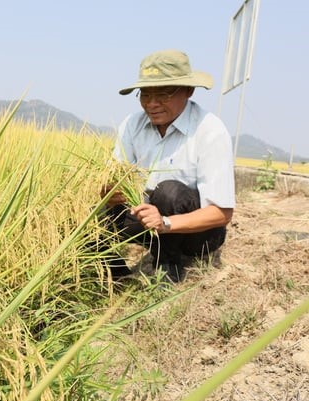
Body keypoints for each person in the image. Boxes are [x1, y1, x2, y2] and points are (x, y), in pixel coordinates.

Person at [101, 49, 235, 283]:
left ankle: (168, 265)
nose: (152, 104)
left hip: (196, 234)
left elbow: (222, 213)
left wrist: (166, 223)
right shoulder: (132, 125)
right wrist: (110, 192)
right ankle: (118, 274)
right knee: (89, 209)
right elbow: (115, 176)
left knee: (168, 191)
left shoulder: (210, 130)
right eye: (145, 95)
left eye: (163, 94)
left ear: (189, 91)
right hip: (149, 221)